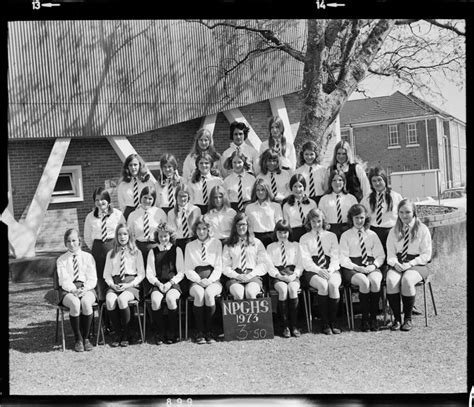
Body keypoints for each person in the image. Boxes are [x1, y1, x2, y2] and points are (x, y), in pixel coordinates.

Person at [385, 199, 432, 332]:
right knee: (391, 280)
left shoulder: (422, 229)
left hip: (417, 264)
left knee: (407, 280)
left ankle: (407, 318)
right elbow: (390, 254)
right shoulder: (394, 231)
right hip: (399, 262)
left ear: (414, 213)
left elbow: (426, 255)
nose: (404, 215)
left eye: (407, 212)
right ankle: (397, 319)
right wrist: (396, 263)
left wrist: (410, 264)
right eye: (401, 212)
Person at [339, 204, 385, 332]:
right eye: (356, 218)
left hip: (370, 265)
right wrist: (356, 267)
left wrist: (373, 266)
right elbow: (343, 258)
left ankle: (373, 318)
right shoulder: (346, 235)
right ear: (351, 219)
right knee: (364, 282)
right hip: (352, 267)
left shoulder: (372, 234)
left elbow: (380, 255)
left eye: (362, 218)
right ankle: (365, 319)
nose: (359, 221)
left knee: (375, 281)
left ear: (366, 218)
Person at [300, 208, 342, 335]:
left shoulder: (331, 236)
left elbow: (336, 256)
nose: (316, 224)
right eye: (313, 222)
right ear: (309, 222)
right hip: (313, 270)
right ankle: (324, 323)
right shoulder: (304, 238)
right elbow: (306, 260)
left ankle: (333, 322)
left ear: (323, 220)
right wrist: (319, 270)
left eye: (319, 221)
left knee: (333, 285)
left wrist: (330, 270)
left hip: (331, 268)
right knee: (323, 285)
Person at [103, 223, 145, 347]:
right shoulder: (111, 253)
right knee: (110, 301)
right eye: (119, 234)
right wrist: (112, 285)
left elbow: (141, 274)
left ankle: (127, 333)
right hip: (115, 284)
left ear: (130, 236)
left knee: (122, 300)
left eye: (125, 234)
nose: (122, 237)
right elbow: (106, 274)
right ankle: (118, 333)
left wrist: (129, 285)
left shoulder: (136, 252)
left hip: (130, 284)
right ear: (116, 236)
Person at [56, 228, 98, 352]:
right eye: (68, 241)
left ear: (79, 241)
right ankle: (78, 339)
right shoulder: (61, 260)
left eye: (74, 240)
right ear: (65, 243)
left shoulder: (88, 257)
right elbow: (63, 280)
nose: (71, 244)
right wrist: (74, 290)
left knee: (85, 303)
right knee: (75, 303)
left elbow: (92, 278)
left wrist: (84, 289)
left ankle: (86, 338)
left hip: (87, 288)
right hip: (68, 289)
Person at [184, 216, 223, 344]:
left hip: (213, 279)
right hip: (196, 279)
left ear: (208, 230)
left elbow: (218, 266)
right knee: (200, 295)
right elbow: (188, 268)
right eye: (199, 229)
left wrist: (210, 280)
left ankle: (210, 331)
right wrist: (198, 280)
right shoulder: (190, 245)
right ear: (195, 230)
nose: (201, 232)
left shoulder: (216, 243)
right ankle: (200, 331)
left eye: (204, 229)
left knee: (209, 294)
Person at [84, 187, 125, 302]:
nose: (100, 202)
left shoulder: (117, 214)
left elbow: (124, 231)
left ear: (108, 200)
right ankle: (104, 314)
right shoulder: (90, 217)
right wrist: (96, 248)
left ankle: (118, 308)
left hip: (114, 247)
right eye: (96, 200)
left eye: (102, 199)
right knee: (101, 280)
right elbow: (87, 236)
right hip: (98, 250)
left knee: (115, 277)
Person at [145, 222, 184, 345]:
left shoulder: (176, 250)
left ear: (170, 236)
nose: (163, 239)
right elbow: (149, 273)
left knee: (171, 299)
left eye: (166, 236)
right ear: (158, 237)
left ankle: (172, 332)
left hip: (173, 283)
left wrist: (170, 283)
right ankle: (160, 333)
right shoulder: (153, 251)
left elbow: (181, 272)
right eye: (161, 236)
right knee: (155, 301)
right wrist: (158, 284)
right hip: (158, 283)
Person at [266, 220, 303, 338]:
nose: (282, 235)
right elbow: (269, 265)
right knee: (283, 290)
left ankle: (294, 325)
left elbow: (300, 263)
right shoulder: (270, 247)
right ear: (275, 233)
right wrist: (278, 276)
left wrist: (295, 274)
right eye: (280, 232)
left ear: (289, 232)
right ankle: (285, 326)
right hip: (277, 274)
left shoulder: (295, 245)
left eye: (285, 232)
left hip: (292, 273)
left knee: (292, 289)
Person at [222, 212, 271, 300]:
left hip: (253, 275)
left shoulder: (257, 242)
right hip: (235, 276)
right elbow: (225, 266)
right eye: (238, 225)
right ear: (235, 227)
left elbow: (263, 264)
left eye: (243, 224)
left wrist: (251, 275)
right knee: (238, 294)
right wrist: (236, 275)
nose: (241, 227)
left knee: (250, 293)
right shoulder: (228, 244)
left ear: (248, 225)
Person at [360, 166, 404, 255]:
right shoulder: (366, 199)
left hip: (391, 232)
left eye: (379, 180)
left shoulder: (396, 197)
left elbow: (403, 217)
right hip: (374, 233)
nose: (377, 183)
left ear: (385, 180)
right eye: (374, 181)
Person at [127, 186, 167, 271]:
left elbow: (166, 232)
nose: (147, 201)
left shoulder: (159, 213)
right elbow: (130, 235)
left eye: (150, 198)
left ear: (154, 200)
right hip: (139, 248)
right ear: (140, 197)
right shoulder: (133, 215)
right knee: (142, 274)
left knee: (156, 273)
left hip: (156, 246)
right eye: (145, 197)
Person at [318, 169, 358, 241]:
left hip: (347, 228)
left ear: (344, 182)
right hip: (330, 229)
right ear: (330, 182)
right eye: (334, 180)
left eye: (340, 180)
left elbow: (356, 215)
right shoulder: (324, 199)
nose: (337, 182)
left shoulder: (351, 198)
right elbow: (321, 217)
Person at [245, 178, 283, 248]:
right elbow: (248, 226)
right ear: (255, 192)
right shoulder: (249, 208)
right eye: (258, 190)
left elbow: (279, 225)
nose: (260, 192)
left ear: (267, 190)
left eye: (263, 190)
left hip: (272, 237)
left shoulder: (275, 206)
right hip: (256, 237)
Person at [117, 153, 155, 220]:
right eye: (130, 165)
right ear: (127, 167)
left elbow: (154, 201)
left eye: (135, 165)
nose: (133, 168)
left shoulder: (149, 182)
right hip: (128, 214)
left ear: (140, 165)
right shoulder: (122, 185)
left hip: (145, 213)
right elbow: (122, 204)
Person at [282, 173, 317, 242]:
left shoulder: (312, 203)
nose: (298, 189)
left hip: (310, 233)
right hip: (294, 235)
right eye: (295, 186)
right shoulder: (286, 206)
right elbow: (286, 225)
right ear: (291, 188)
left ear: (304, 187)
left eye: (300, 186)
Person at [167, 183, 201, 253]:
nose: (182, 199)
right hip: (178, 243)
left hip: (192, 240)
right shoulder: (171, 213)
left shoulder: (195, 209)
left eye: (185, 196)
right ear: (176, 197)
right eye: (180, 196)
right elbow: (172, 232)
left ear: (188, 197)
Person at [295, 140, 326, 205]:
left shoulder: (322, 170)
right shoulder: (298, 172)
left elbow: (326, 188)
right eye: (306, 154)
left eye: (311, 154)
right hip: (305, 200)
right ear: (302, 154)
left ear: (316, 154)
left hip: (320, 200)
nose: (309, 157)